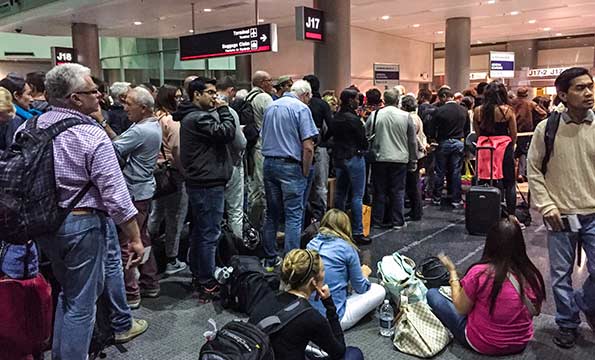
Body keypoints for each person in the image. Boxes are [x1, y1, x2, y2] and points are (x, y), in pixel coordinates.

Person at [24, 63, 146, 360]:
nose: (100, 97)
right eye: (93, 91)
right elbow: (116, 194)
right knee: (82, 304)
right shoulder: (91, 135)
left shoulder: (30, 127)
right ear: (75, 98)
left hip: (43, 223)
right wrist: (135, 237)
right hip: (81, 225)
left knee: (68, 292)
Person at [527, 67, 595, 348]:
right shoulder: (548, 128)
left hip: (593, 214)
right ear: (563, 95)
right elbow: (533, 170)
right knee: (560, 275)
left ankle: (582, 300)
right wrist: (545, 205)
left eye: (590, 86)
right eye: (580, 88)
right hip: (561, 216)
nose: (588, 92)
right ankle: (567, 322)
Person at [428, 217, 546, 356]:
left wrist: (452, 273)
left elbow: (461, 309)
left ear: (490, 243)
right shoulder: (532, 274)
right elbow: (536, 311)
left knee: (433, 294)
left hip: (482, 343)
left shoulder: (479, 273)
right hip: (520, 343)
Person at [173, 77, 236, 302]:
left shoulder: (192, 117)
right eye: (209, 92)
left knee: (201, 232)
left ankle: (200, 274)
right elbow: (227, 133)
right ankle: (208, 281)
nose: (214, 97)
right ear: (196, 95)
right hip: (208, 184)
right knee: (209, 234)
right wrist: (225, 109)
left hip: (203, 182)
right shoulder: (198, 118)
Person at [249, 249, 364, 360]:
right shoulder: (310, 316)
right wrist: (329, 304)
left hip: (258, 353)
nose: (324, 273)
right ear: (313, 281)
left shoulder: (270, 296)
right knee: (353, 353)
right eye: (323, 270)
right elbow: (339, 351)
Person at [110, 86, 162, 308]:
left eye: (128, 103)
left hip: (132, 192)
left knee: (127, 243)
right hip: (143, 191)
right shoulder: (150, 125)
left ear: (143, 108)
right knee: (142, 237)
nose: (124, 108)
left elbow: (112, 149)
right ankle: (150, 282)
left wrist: (101, 124)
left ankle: (131, 292)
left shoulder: (141, 131)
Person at [261, 80, 318, 270]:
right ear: (306, 95)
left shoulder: (271, 107)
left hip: (269, 163)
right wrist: (305, 169)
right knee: (294, 215)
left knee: (272, 214)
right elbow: (308, 146)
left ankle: (270, 259)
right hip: (291, 166)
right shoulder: (301, 109)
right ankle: (291, 264)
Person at [307, 209, 386, 330]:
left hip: (309, 316)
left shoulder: (311, 245)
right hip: (333, 320)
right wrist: (364, 274)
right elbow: (361, 287)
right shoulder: (347, 248)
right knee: (378, 290)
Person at [147, 85, 188, 276]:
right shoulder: (173, 121)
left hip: (156, 172)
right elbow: (177, 150)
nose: (180, 100)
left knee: (156, 212)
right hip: (173, 174)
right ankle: (172, 258)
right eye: (176, 97)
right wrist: (184, 171)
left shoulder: (154, 118)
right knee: (176, 216)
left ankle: (150, 249)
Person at [367, 88, 417, 229]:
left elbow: (366, 133)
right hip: (400, 159)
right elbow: (412, 141)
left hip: (380, 157)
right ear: (397, 100)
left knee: (379, 191)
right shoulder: (406, 116)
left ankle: (377, 220)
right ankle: (397, 221)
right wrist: (413, 160)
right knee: (398, 191)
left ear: (384, 99)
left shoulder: (375, 114)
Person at [332, 88, 370, 245]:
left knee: (340, 194)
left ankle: (337, 228)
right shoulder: (354, 119)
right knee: (357, 196)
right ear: (349, 100)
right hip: (354, 157)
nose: (358, 101)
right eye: (356, 98)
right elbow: (363, 140)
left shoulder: (336, 117)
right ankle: (357, 232)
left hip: (339, 158)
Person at [473, 81, 517, 215]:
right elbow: (513, 134)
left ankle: (485, 213)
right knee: (509, 183)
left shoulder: (478, 110)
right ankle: (511, 215)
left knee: (484, 181)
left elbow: (477, 133)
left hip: (485, 149)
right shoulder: (508, 111)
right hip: (504, 149)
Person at [427, 87, 469, 208]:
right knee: (456, 172)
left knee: (440, 171)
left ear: (444, 96)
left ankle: (437, 198)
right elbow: (467, 130)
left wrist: (433, 139)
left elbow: (431, 129)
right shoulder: (463, 110)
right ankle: (456, 199)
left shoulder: (439, 111)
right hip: (458, 143)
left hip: (443, 142)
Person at [218, 77, 247, 239]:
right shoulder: (229, 112)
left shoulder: (201, 111)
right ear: (230, 91)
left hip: (211, 169)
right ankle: (235, 248)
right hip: (232, 165)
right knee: (235, 210)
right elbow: (240, 143)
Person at [303, 74, 334, 222]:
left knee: (304, 185)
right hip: (320, 148)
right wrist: (324, 140)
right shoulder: (322, 104)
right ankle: (322, 218)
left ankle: (306, 217)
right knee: (321, 185)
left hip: (302, 147)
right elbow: (332, 126)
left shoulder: (300, 105)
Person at [246, 71, 274, 229]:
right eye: (270, 81)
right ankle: (263, 228)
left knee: (253, 186)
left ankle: (252, 224)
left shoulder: (247, 97)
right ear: (263, 82)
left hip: (251, 146)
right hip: (263, 146)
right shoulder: (264, 98)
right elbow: (274, 119)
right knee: (263, 187)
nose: (271, 84)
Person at [512, 88, 547, 182]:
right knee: (523, 152)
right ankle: (521, 173)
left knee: (513, 151)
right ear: (526, 94)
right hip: (525, 131)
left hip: (512, 130)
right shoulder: (531, 104)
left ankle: (511, 172)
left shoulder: (511, 103)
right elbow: (543, 114)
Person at [401, 94, 426, 221]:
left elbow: (413, 138)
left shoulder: (409, 118)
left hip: (414, 154)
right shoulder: (417, 117)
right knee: (414, 183)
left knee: (412, 184)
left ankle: (416, 211)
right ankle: (417, 210)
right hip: (419, 154)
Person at [0, 72, 35, 150]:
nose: (32, 99)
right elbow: (12, 152)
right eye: (28, 94)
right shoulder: (15, 120)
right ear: (16, 95)